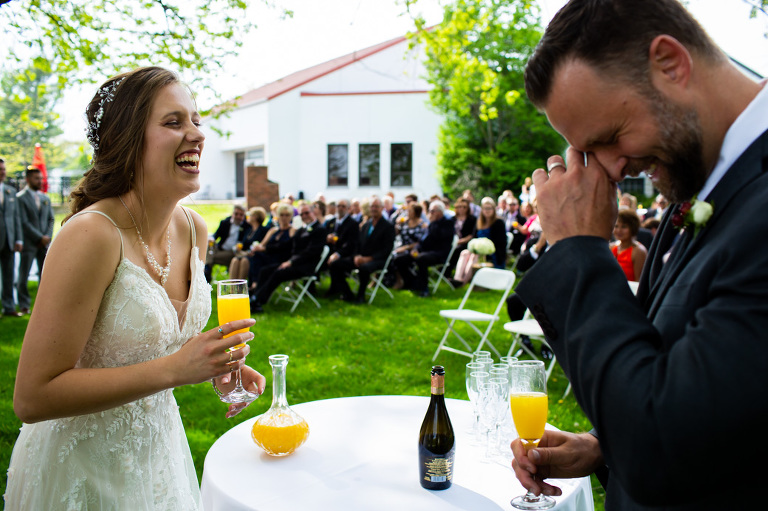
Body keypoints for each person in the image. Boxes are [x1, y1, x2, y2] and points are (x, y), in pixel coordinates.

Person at [510, 1, 768, 509]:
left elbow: (667, 453)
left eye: (608, 138)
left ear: (670, 63)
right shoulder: (698, 190)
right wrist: (605, 447)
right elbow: (700, 399)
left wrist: (578, 252)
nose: (608, 170)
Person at [4, 67, 266, 510]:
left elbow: (154, 354)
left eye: (196, 120)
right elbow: (32, 397)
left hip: (159, 455)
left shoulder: (193, 229)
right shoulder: (92, 236)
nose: (196, 135)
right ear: (128, 140)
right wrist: (174, 370)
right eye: (173, 122)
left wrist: (208, 366)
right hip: (82, 470)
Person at [250, 203, 327, 313]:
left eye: (307, 213)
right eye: (302, 214)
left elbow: (311, 252)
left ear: (313, 212)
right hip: (295, 263)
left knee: (279, 273)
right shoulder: (301, 229)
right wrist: (265, 248)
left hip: (306, 266)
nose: (305, 216)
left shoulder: (319, 230)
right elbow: (287, 245)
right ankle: (256, 298)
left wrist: (291, 261)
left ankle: (258, 301)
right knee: (265, 270)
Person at [328, 197, 395, 303]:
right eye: (372, 206)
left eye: (376, 206)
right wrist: (356, 256)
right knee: (335, 264)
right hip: (361, 257)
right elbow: (357, 243)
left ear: (382, 208)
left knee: (364, 268)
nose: (373, 209)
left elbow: (387, 249)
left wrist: (368, 258)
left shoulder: (388, 226)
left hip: (378, 259)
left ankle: (361, 296)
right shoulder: (366, 225)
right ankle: (347, 293)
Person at [393, 200, 454, 297]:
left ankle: (424, 288)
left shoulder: (447, 223)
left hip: (439, 253)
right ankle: (412, 283)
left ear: (439, 212)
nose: (430, 213)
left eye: (432, 211)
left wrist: (433, 223)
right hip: (425, 252)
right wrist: (415, 249)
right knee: (399, 259)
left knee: (421, 259)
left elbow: (438, 237)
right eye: (429, 211)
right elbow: (423, 240)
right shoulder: (432, 223)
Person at [16, 166, 54, 315]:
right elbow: (23, 221)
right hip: (29, 243)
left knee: (45, 275)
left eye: (41, 178)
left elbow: (51, 219)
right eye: (36, 178)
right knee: (23, 275)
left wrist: (47, 236)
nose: (40, 181)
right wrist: (39, 237)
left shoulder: (45, 198)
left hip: (44, 243)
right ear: (28, 179)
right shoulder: (20, 198)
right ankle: (24, 305)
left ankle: (42, 305)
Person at [0, 157, 24, 317]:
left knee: (8, 275)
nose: (2, 172)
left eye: (3, 169)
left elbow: (16, 217)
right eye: (0, 170)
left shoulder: (10, 191)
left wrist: (18, 239)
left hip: (8, 240)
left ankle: (9, 307)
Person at [204, 204, 252, 282]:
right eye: (236, 214)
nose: (238, 217)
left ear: (244, 216)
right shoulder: (225, 222)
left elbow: (244, 242)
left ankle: (207, 269)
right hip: (220, 249)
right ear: (233, 214)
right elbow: (216, 235)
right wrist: (212, 238)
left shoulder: (247, 227)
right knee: (207, 245)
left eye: (241, 215)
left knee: (207, 256)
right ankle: (207, 267)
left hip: (232, 252)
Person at [391, 202, 428, 289]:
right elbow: (397, 234)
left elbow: (420, 242)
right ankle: (397, 279)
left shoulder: (422, 225)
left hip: (414, 250)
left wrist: (405, 248)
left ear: (416, 212)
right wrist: (397, 225)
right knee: (391, 255)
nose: (408, 212)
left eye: (410, 211)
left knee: (398, 258)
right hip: (402, 247)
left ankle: (405, 281)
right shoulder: (405, 222)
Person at [227, 206, 271, 281]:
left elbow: (265, 246)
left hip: (255, 257)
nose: (247, 216)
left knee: (244, 260)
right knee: (235, 260)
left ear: (255, 217)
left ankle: (240, 288)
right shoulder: (248, 230)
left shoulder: (264, 230)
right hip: (244, 254)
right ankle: (232, 287)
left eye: (249, 214)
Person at [610, 209, 648, 282]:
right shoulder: (612, 247)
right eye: (616, 226)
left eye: (624, 227)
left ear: (633, 228)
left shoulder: (638, 251)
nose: (619, 230)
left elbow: (639, 281)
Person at [324, 199, 359, 275]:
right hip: (330, 251)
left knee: (335, 264)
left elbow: (351, 244)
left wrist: (338, 254)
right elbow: (324, 236)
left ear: (348, 209)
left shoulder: (353, 224)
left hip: (345, 253)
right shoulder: (331, 222)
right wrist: (327, 238)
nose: (340, 208)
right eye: (338, 206)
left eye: (343, 206)